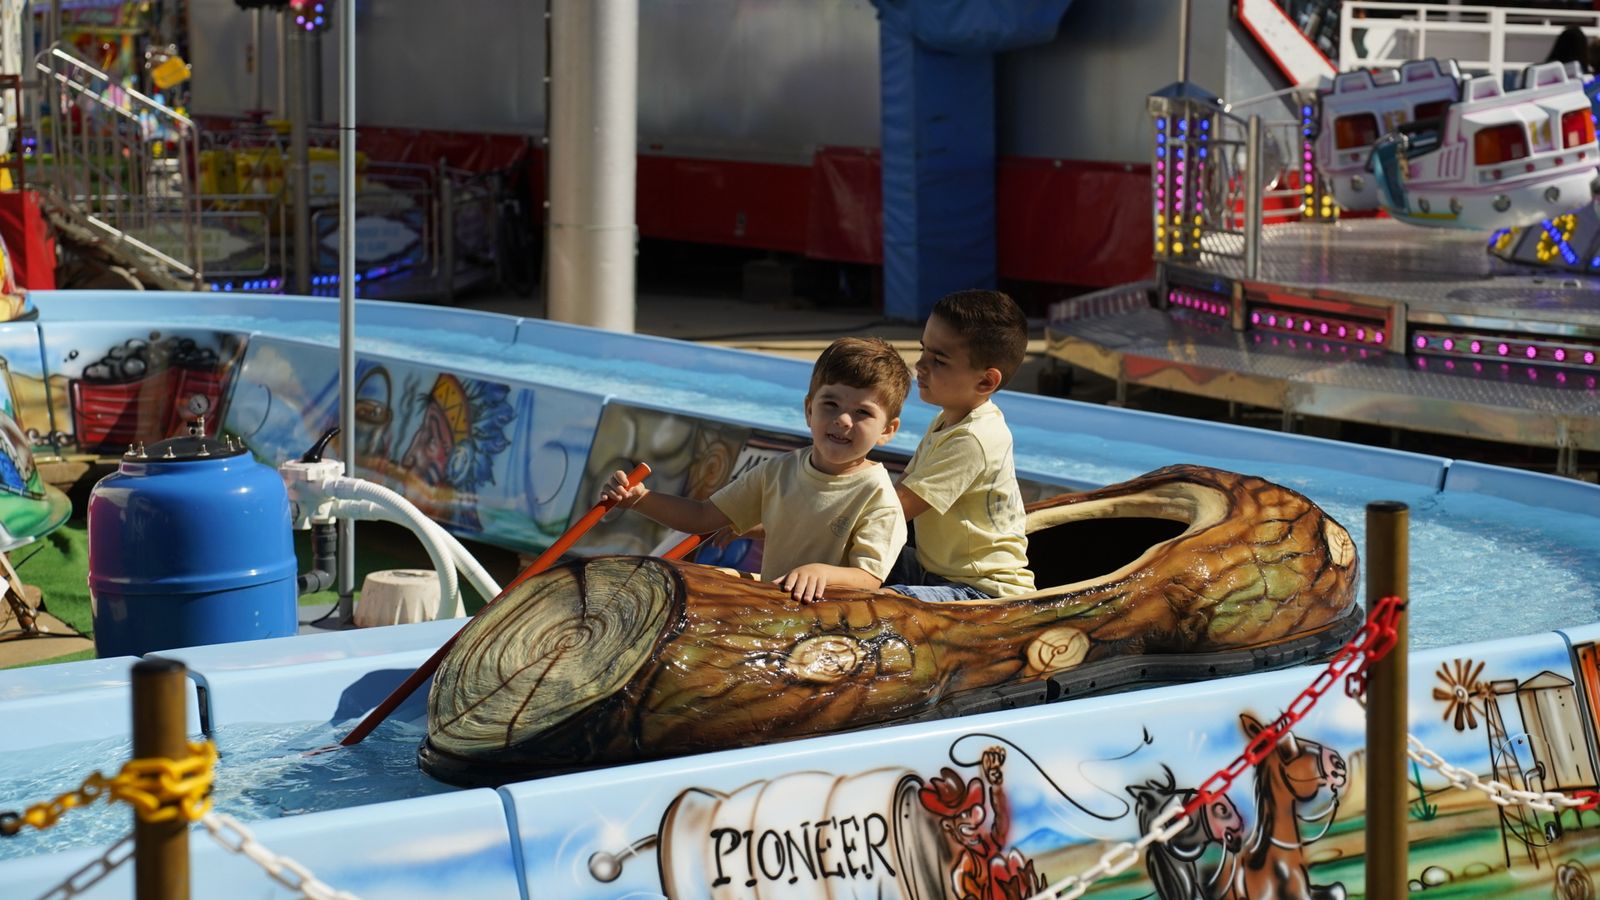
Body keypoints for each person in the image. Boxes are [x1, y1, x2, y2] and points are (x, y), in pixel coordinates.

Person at [600, 336, 910, 603]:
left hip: (833, 628)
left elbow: (869, 578)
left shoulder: (878, 497)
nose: (842, 420)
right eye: (831, 404)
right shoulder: (778, 471)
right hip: (774, 611)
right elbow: (702, 516)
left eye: (862, 412)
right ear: (808, 409)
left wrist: (821, 574)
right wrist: (639, 499)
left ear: (887, 430)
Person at [888, 290, 1036, 602]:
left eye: (939, 360)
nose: (920, 365)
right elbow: (897, 493)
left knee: (879, 607)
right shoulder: (947, 420)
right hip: (934, 573)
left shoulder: (973, 438)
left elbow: (896, 509)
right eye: (923, 350)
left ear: (985, 382)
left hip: (983, 592)